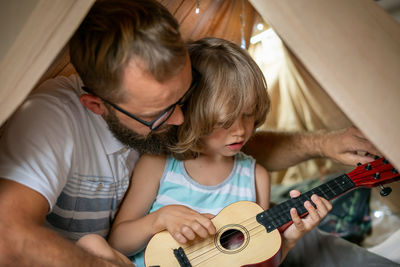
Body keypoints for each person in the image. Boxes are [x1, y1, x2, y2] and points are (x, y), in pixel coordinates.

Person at [0, 0, 386, 266]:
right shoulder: (49, 121)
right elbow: (8, 238)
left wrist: (320, 144)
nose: (184, 120)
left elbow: (223, 150)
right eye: (162, 111)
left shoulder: (167, 125)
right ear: (97, 105)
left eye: (186, 97)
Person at [76, 37, 333, 267]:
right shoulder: (158, 165)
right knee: (90, 245)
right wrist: (159, 219)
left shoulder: (256, 177)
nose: (241, 131)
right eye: (225, 121)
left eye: (249, 115)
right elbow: (118, 242)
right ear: (190, 113)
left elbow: (254, 259)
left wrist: (286, 243)